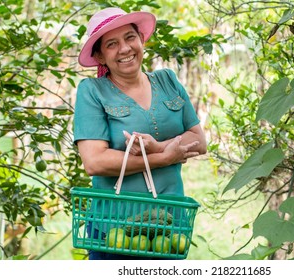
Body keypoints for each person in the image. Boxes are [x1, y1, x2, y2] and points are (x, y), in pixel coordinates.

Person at [73, 7, 207, 260]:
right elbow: (94, 161)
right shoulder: (92, 91)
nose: (124, 49)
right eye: (111, 44)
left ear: (141, 40)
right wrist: (164, 158)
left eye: (130, 37)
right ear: (100, 56)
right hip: (113, 228)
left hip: (169, 226)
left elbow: (198, 141)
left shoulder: (168, 80)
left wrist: (157, 147)